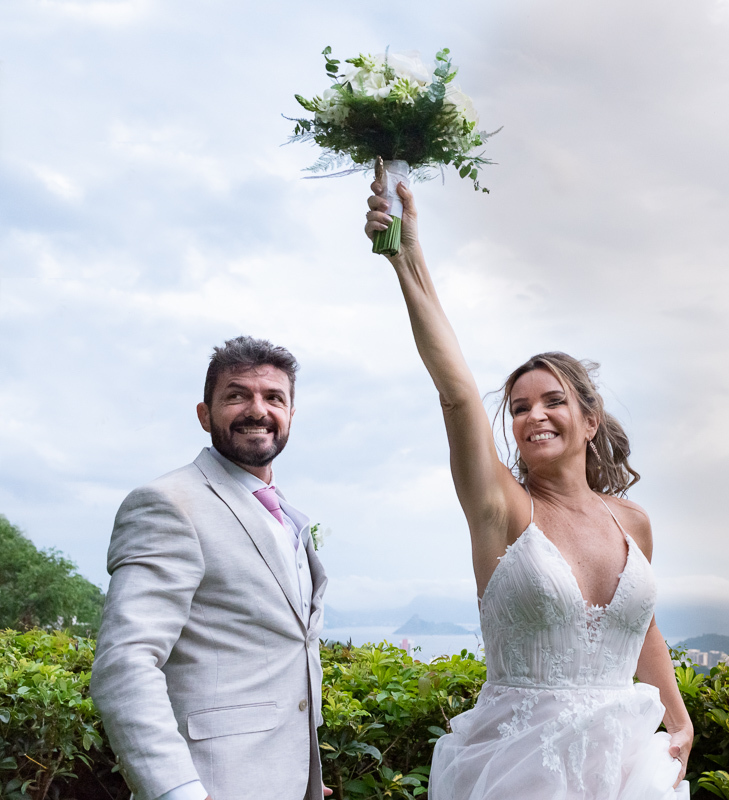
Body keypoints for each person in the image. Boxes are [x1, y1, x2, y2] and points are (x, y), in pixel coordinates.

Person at [364, 180, 694, 798]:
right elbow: (457, 390)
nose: (533, 415)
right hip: (520, 769)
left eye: (553, 401)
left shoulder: (634, 522)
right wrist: (405, 256)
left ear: (589, 421)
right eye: (518, 407)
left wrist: (677, 715)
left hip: (627, 770)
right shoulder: (502, 509)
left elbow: (641, 625)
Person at [91, 337, 329, 800]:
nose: (257, 410)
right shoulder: (168, 504)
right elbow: (125, 661)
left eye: (274, 398)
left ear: (291, 416)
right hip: (211, 784)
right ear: (205, 414)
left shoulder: (286, 515)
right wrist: (178, 791)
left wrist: (301, 768)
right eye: (237, 395)